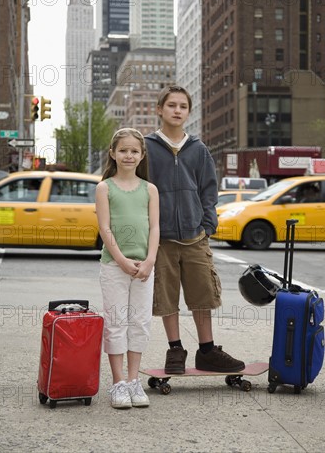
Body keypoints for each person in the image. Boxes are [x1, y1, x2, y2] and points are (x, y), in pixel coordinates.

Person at [145, 85, 245, 375]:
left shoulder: (198, 149)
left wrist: (207, 225)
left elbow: (209, 191)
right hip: (160, 239)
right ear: (159, 109)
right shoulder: (148, 147)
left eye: (183, 106)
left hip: (195, 237)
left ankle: (207, 351)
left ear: (189, 112)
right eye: (171, 105)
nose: (177, 110)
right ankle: (175, 349)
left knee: (203, 294)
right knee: (166, 296)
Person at [96, 128, 159, 409]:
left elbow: (156, 227)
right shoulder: (105, 188)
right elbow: (105, 228)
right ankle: (118, 383)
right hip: (114, 266)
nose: (129, 155)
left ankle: (134, 381)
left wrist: (150, 261)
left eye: (134, 151)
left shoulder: (150, 189)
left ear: (142, 155)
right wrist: (121, 260)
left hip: (145, 268)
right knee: (117, 323)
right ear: (113, 153)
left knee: (140, 323)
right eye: (123, 150)